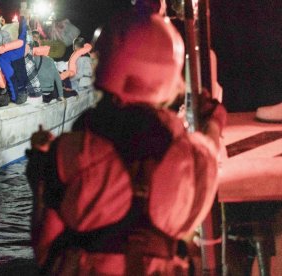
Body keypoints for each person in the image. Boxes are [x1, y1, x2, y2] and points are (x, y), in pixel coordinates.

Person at [26, 13, 227, 275]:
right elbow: (210, 142)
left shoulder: (71, 153)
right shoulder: (195, 159)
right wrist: (214, 120)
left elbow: (44, 249)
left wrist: (39, 170)